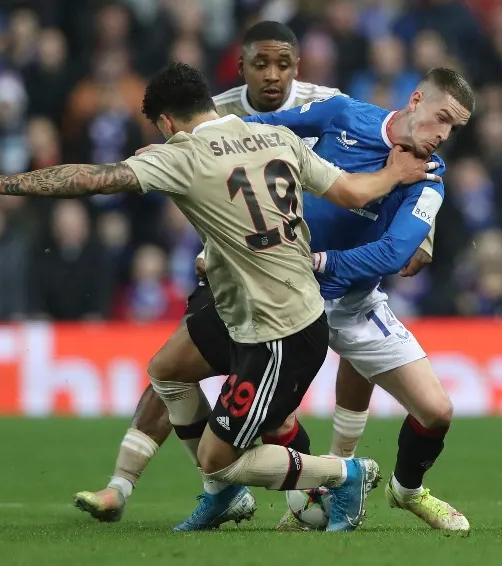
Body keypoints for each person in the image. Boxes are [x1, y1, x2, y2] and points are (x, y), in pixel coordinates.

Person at [0, 62, 438, 532]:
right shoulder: (277, 136)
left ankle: (343, 472)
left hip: (279, 328)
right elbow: (350, 191)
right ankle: (223, 497)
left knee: (222, 456)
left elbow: (90, 179)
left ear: (166, 123)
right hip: (245, 305)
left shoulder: (183, 156)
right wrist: (393, 174)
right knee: (167, 371)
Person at [72, 21, 437, 526]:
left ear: (298, 67)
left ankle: (325, 476)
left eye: (283, 64)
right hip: (230, 275)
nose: (272, 75)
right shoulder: (211, 112)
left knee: (268, 407)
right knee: (172, 368)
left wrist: (419, 233)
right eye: (261, 64)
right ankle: (132, 485)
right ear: (240, 67)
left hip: (299, 282)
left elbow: (382, 174)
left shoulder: (327, 105)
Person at [244, 68, 473, 533]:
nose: (445, 135)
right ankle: (315, 491)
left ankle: (406, 490)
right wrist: (184, 147)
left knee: (437, 411)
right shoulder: (344, 114)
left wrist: (322, 262)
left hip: (353, 300)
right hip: (288, 295)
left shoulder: (429, 175)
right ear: (415, 100)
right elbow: (261, 129)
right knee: (270, 417)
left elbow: (394, 252)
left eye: (455, 128)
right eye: (442, 119)